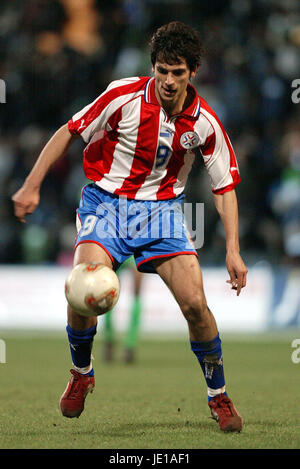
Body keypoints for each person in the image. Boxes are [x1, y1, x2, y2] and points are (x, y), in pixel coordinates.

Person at [12, 21, 248, 432]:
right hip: (107, 203)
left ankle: (218, 395)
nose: (168, 81)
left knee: (196, 305)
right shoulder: (123, 95)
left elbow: (224, 187)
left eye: (177, 72)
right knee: (82, 286)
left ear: (192, 72)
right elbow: (68, 132)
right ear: (153, 66)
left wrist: (232, 249)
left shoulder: (205, 123)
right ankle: (82, 372)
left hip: (162, 213)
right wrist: (32, 185)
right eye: (161, 70)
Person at [102, 256, 143, 364]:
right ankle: (109, 339)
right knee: (109, 293)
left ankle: (130, 344)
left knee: (136, 294)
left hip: (133, 249)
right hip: (120, 246)